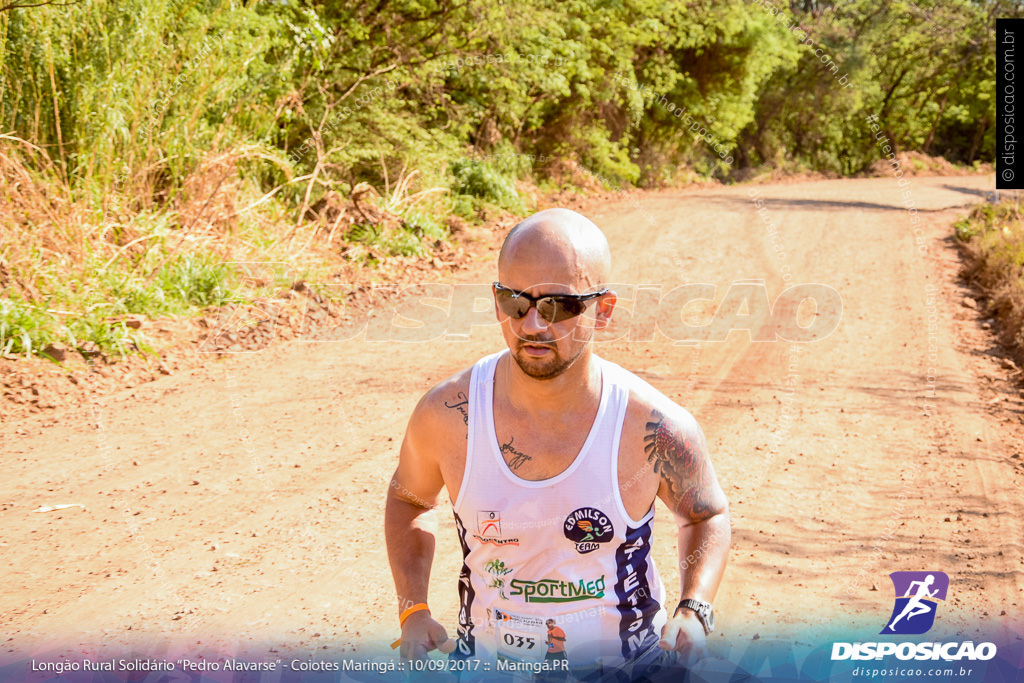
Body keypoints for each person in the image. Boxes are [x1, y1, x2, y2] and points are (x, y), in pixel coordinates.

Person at [385, 208, 731, 679]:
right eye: (516, 302)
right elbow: (409, 499)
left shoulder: (653, 425)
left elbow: (704, 514)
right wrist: (413, 610)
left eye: (558, 306)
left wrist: (695, 609)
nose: (532, 325)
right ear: (495, 301)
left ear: (603, 311)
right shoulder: (448, 414)